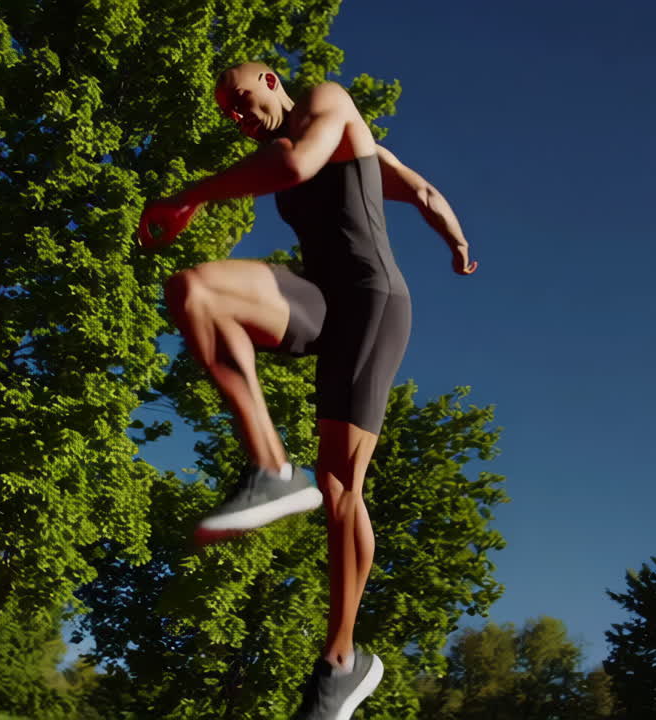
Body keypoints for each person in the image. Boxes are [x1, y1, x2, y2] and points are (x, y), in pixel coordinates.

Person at [138, 61, 475, 720]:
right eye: (227, 115)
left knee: (342, 485)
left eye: (240, 102)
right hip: (318, 296)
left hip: (371, 302)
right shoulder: (278, 148)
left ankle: (340, 664)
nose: (237, 119)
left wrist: (456, 239)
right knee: (195, 291)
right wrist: (451, 231)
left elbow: (397, 185)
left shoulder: (328, 105)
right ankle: (270, 466)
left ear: (269, 80)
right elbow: (419, 192)